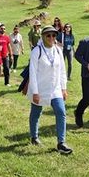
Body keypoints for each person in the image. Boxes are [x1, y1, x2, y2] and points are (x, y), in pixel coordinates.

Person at [28, 25, 72, 155]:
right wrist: (35, 91)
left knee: (61, 112)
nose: (52, 38)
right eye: (48, 35)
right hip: (40, 89)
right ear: (43, 36)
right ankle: (34, 137)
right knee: (36, 113)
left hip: (55, 89)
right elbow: (33, 73)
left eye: (54, 35)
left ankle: (61, 143)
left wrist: (64, 88)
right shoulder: (37, 51)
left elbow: (62, 71)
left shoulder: (58, 50)